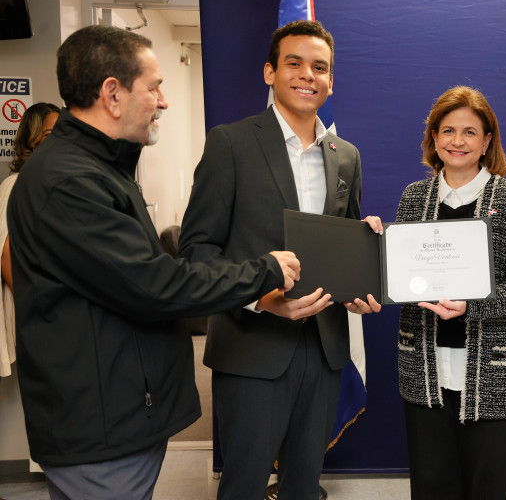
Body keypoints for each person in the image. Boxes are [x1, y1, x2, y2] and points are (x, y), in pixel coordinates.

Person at [7, 25, 301, 500]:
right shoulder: (70, 182)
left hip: (114, 419)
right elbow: (155, 285)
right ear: (112, 94)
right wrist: (264, 269)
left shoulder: (98, 168)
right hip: (100, 431)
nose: (163, 101)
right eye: (154, 87)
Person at [177, 20, 381, 500]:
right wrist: (261, 300)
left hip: (325, 347)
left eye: (320, 67)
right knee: (244, 484)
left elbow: (345, 243)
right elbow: (197, 252)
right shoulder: (230, 143)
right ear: (270, 72)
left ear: (331, 80)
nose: (308, 75)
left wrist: (364, 276)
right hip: (252, 344)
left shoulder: (346, 155)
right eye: (294, 63)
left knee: (304, 484)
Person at [395, 86, 506, 500]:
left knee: (487, 490)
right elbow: (402, 275)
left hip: (495, 373)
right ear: (434, 137)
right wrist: (377, 250)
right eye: (448, 131)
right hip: (425, 370)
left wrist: (470, 307)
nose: (457, 141)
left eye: (470, 132)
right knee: (431, 489)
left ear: (487, 141)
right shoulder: (413, 198)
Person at [0, 102, 60, 379]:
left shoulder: (50, 186)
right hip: (32, 315)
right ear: (31, 139)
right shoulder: (15, 185)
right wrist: (37, 308)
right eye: (49, 135)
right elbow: (6, 255)